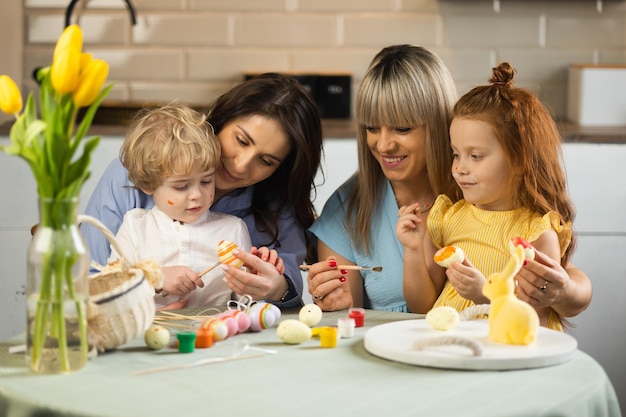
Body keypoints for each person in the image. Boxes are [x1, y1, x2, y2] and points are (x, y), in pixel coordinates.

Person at [306, 45, 592, 319]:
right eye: (371, 127)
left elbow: (563, 278)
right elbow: (350, 322)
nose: (383, 145)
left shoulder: (479, 186)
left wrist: (561, 290)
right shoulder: (347, 208)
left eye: (402, 128)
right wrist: (336, 305)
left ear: (438, 122)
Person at [81, 73, 323, 308]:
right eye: (241, 140)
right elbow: (93, 280)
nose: (240, 165)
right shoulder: (130, 175)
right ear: (222, 120)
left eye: (266, 161)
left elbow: (286, 297)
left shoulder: (272, 206)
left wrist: (275, 288)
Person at [396, 62, 576, 330]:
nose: (459, 167)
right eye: (456, 153)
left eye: (475, 156)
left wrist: (485, 295)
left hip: (503, 350)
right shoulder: (448, 218)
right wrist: (412, 250)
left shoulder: (536, 233)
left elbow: (533, 321)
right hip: (451, 343)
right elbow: (421, 305)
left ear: (519, 160)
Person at [107, 103, 254, 309]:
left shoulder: (233, 229)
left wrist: (254, 281)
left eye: (206, 181)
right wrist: (155, 279)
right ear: (148, 184)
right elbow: (111, 289)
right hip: (149, 334)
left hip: (217, 335)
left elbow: (247, 303)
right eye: (181, 186)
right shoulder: (135, 227)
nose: (196, 195)